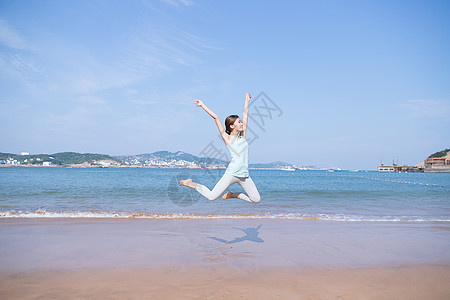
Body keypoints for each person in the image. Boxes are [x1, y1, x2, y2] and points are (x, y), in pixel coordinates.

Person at [179, 92, 261, 204]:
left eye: (241, 122)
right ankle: (188, 183)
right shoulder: (227, 139)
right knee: (212, 196)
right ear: (232, 126)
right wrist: (202, 105)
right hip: (232, 174)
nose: (242, 124)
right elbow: (216, 117)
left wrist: (246, 101)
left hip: (244, 176)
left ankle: (232, 195)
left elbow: (245, 115)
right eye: (239, 122)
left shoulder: (243, 136)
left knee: (256, 200)